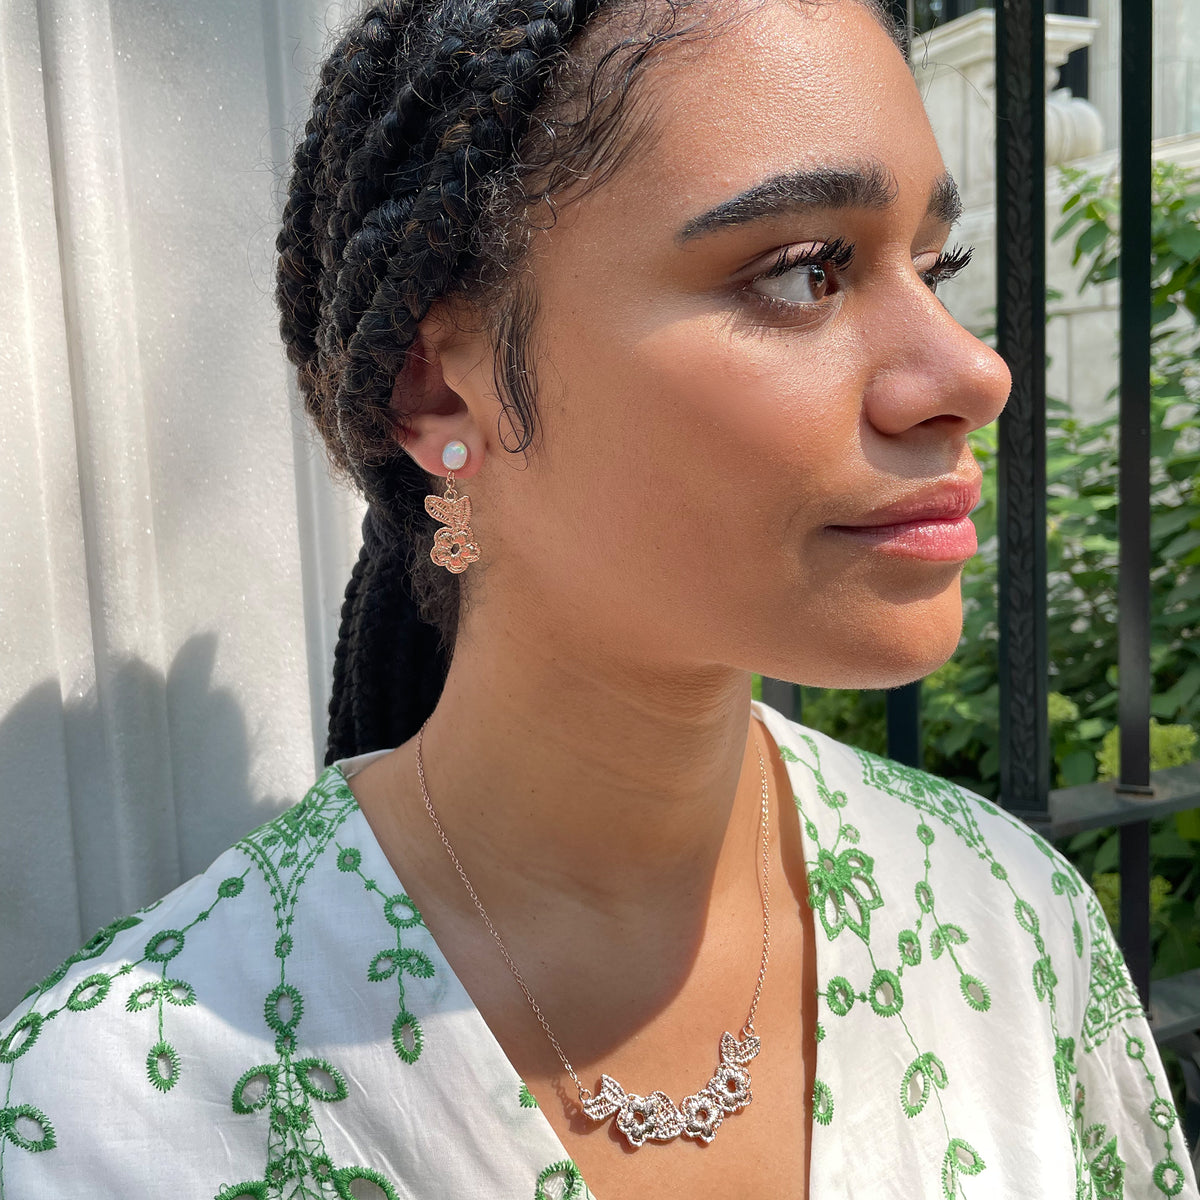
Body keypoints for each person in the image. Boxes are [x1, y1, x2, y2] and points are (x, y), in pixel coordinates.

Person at [1, 0, 1194, 1196]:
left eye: (938, 266)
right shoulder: (122, 1115)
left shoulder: (1004, 920)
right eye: (800, 273)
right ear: (440, 389)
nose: (972, 372)